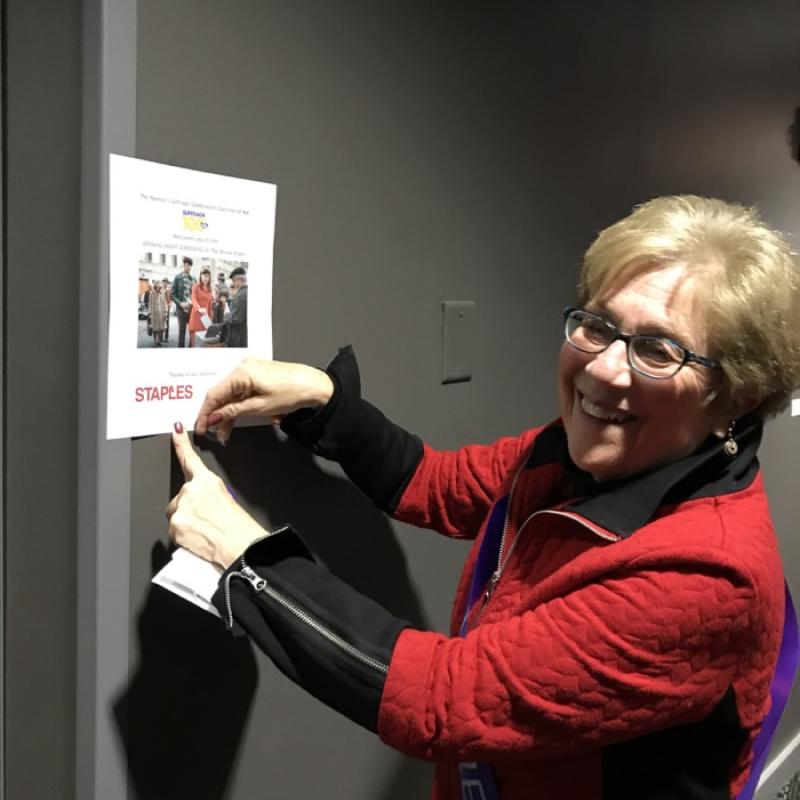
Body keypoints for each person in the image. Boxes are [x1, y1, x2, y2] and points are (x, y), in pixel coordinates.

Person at [166, 196, 800, 800]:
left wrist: (247, 561)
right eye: (598, 326)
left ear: (736, 398)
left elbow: (444, 698)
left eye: (658, 350)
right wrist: (324, 402)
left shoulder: (707, 575)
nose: (604, 369)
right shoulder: (586, 454)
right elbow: (439, 484)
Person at [171, 256, 195, 348]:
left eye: (190, 265)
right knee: (182, 333)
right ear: (184, 265)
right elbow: (172, 294)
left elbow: (195, 294)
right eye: (187, 265)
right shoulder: (177, 278)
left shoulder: (193, 279)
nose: (189, 267)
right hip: (181, 310)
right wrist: (180, 303)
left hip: (191, 310)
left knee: (192, 332)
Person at [188, 267, 214, 348]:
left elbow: (210, 306)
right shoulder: (195, 286)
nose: (206, 278)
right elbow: (193, 299)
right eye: (204, 276)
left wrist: (210, 320)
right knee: (194, 343)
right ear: (201, 276)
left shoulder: (210, 289)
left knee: (203, 343)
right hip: (196, 315)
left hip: (205, 318)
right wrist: (199, 308)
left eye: (208, 276)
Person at [224, 266, 248, 348]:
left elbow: (236, 318)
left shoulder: (241, 295)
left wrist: (226, 314)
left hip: (238, 338)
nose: (233, 283)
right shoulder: (246, 292)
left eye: (233, 280)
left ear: (239, 279)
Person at [148, 281, 167, 347]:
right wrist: (149, 313)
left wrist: (165, 312)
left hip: (161, 313)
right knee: (154, 328)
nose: (160, 287)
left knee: (161, 329)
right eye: (159, 286)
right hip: (154, 313)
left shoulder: (163, 293)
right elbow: (150, 304)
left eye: (160, 286)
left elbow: (165, 303)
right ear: (155, 286)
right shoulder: (152, 294)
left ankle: (159, 340)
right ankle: (155, 341)